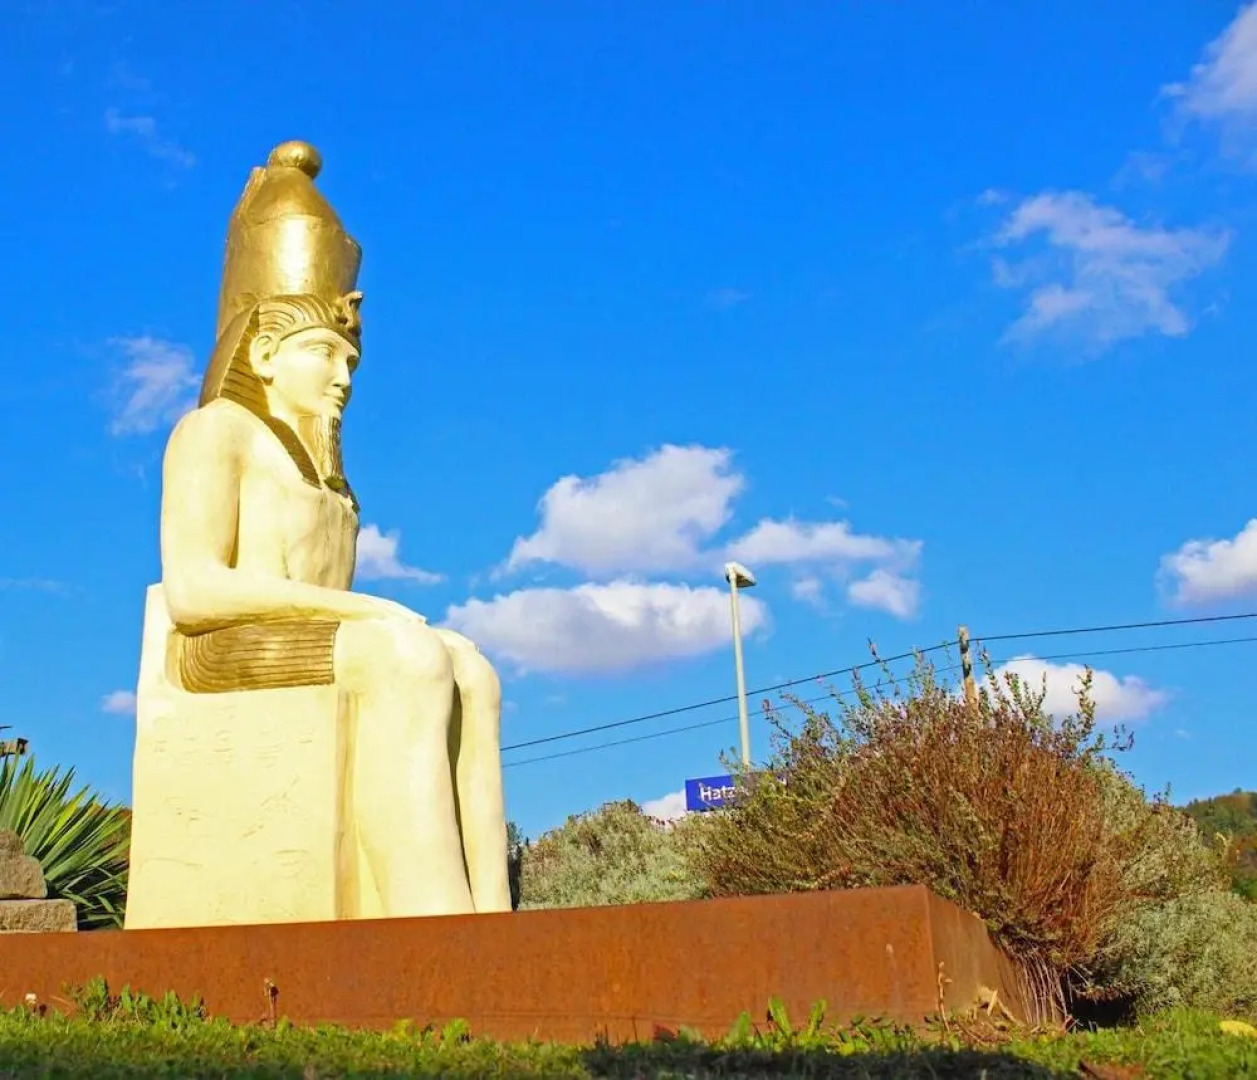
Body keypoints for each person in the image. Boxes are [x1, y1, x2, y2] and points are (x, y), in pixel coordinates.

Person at [157, 140, 509, 918]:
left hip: (308, 644)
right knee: (408, 652)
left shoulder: (329, 477)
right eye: (323, 351)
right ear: (264, 350)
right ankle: (432, 922)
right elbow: (191, 590)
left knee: (473, 671)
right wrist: (369, 610)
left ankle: (493, 921)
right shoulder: (215, 430)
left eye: (350, 355)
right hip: (217, 647)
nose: (344, 374)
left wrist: (367, 617)